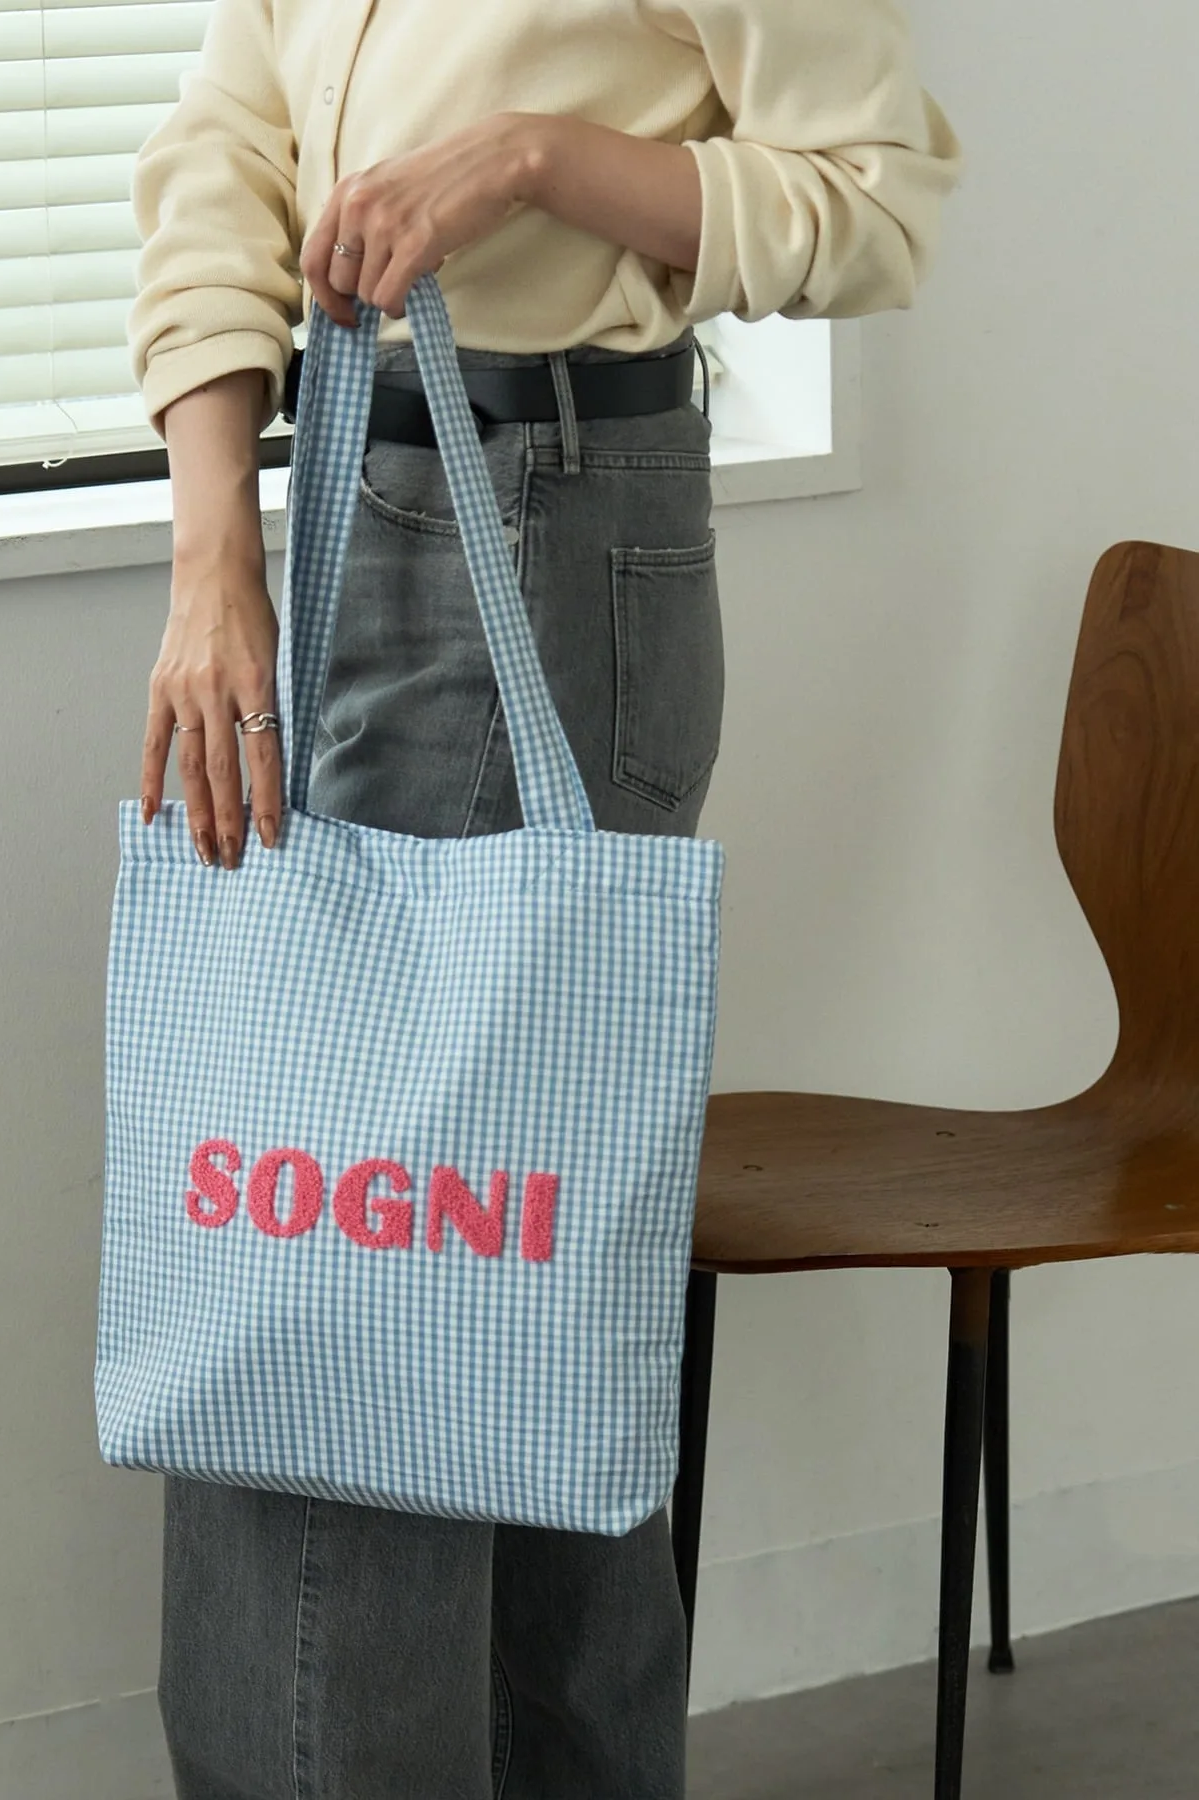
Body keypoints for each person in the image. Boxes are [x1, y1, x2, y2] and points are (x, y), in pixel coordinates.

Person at [126, 3, 959, 1795]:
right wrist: (212, 556)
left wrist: (533, 159)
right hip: (344, 499)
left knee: (363, 1318)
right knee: (501, 1285)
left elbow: (875, 204)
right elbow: (222, 158)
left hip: (550, 520)